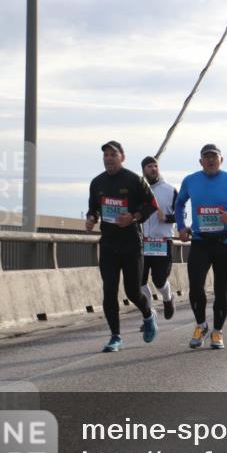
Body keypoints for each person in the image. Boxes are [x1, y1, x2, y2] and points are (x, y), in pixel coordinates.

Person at [176, 143, 227, 351]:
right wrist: (181, 226)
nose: (210, 160)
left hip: (224, 243)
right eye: (206, 157)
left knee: (221, 291)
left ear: (221, 160)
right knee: (195, 288)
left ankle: (217, 331)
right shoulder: (190, 180)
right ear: (200, 161)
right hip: (200, 242)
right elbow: (179, 204)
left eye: (214, 157)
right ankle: (201, 325)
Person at [86, 141, 159, 352]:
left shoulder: (134, 180)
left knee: (133, 291)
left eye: (113, 154)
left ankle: (148, 314)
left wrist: (133, 217)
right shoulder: (97, 182)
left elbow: (152, 205)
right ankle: (115, 336)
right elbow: (93, 208)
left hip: (131, 244)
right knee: (109, 291)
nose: (109, 158)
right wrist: (91, 218)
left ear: (122, 157)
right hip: (109, 244)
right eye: (106, 155)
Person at [139, 155, 177, 322]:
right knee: (139, 282)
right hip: (143, 242)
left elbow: (182, 215)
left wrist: (167, 218)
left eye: (155, 166)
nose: (153, 169)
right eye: (149, 167)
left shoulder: (170, 190)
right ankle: (149, 316)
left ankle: (168, 299)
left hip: (163, 242)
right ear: (143, 171)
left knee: (159, 281)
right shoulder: (140, 190)